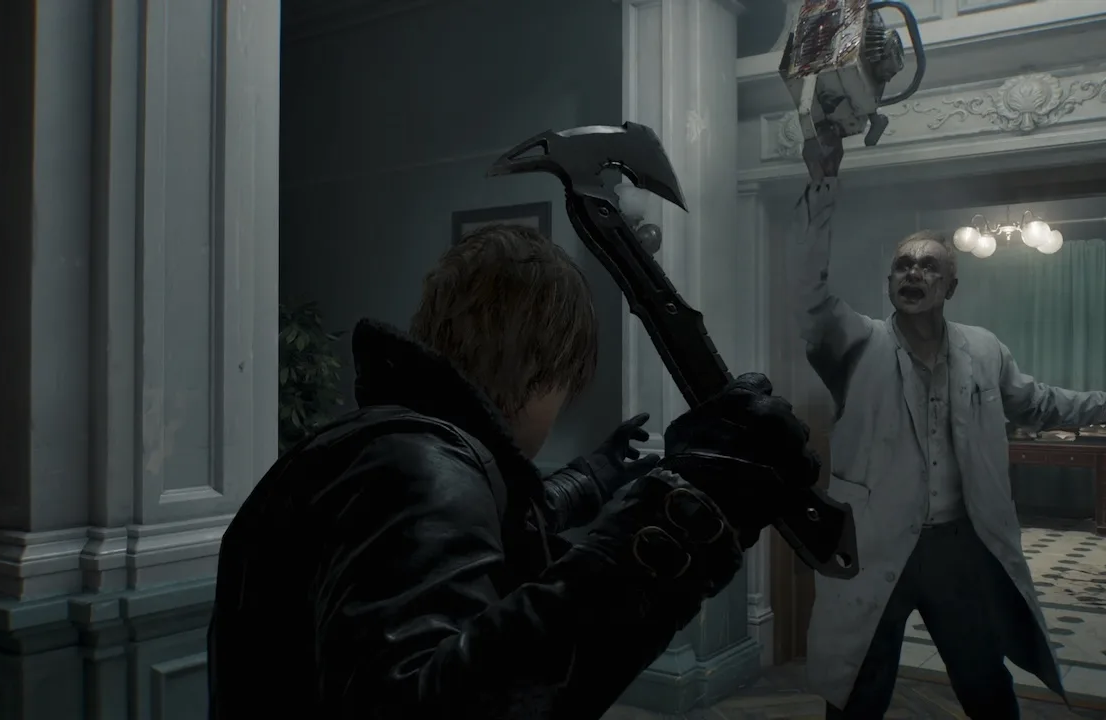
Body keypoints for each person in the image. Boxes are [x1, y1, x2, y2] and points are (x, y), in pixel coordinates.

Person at [208, 223, 820, 719]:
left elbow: (478, 537)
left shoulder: (384, 447)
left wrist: (591, 477)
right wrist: (685, 511)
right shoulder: (423, 466)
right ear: (543, 365)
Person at [790, 170, 1106, 719]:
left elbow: (1043, 403)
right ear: (889, 283)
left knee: (983, 679)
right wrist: (821, 187)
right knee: (858, 689)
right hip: (870, 543)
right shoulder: (857, 343)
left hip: (958, 549)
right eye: (903, 265)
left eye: (928, 266)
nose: (913, 273)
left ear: (950, 287)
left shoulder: (983, 350)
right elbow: (810, 297)